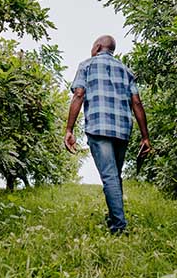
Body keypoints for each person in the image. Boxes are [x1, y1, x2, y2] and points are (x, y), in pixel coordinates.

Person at [64, 35, 151, 234]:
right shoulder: (126, 70)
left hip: (98, 126)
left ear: (98, 47)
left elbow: (79, 94)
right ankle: (115, 217)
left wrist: (69, 130)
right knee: (114, 175)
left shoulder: (86, 65)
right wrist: (145, 136)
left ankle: (119, 227)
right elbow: (136, 102)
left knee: (110, 176)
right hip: (122, 129)